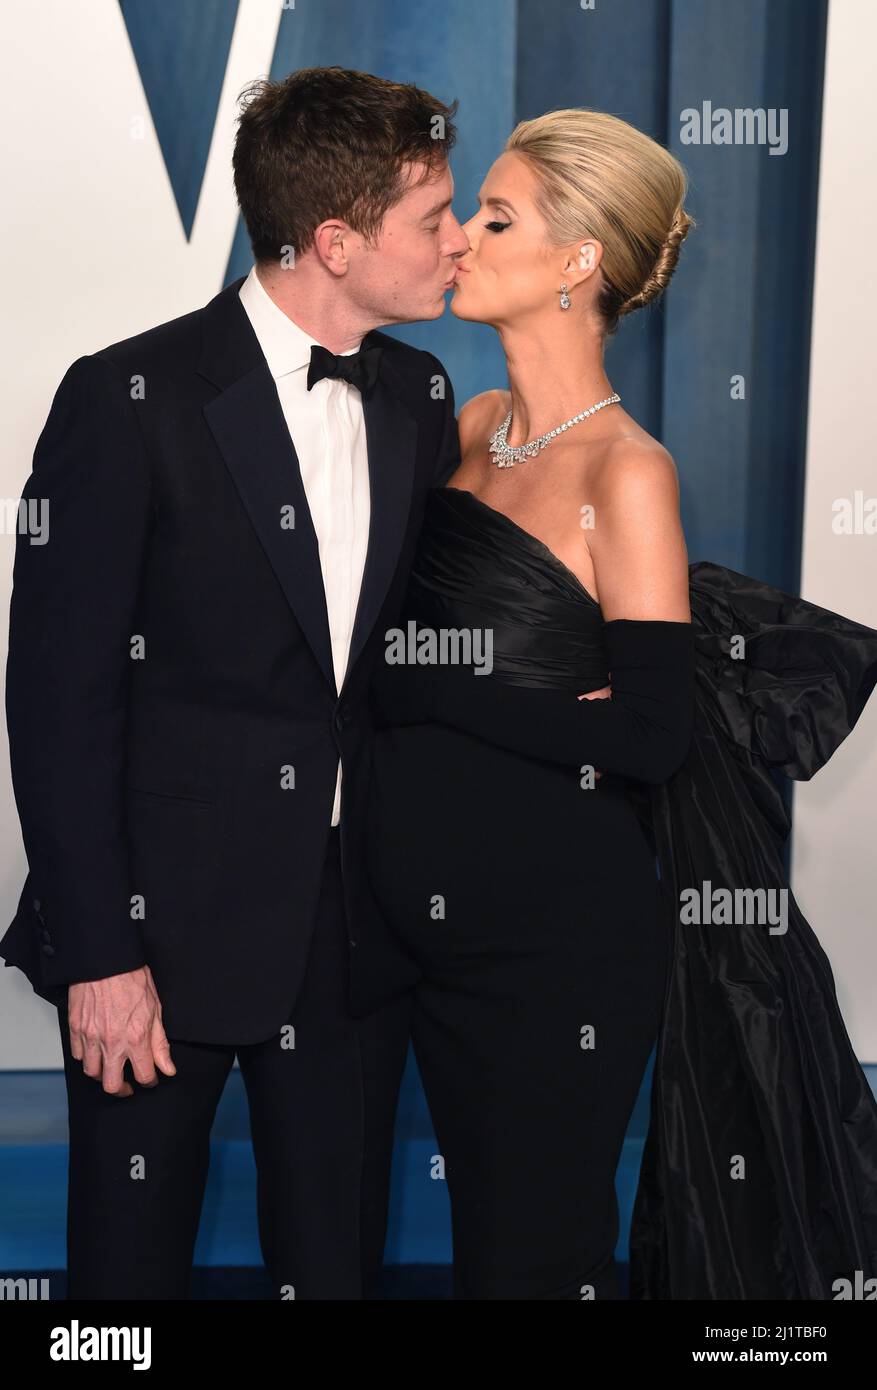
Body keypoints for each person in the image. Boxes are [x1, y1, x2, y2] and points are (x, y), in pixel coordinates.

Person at [365, 108, 877, 1300]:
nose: (461, 239)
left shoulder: (626, 471)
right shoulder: (472, 427)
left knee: (528, 1265)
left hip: (551, 946)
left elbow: (650, 733)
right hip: (408, 921)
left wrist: (434, 678)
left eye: (496, 217)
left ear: (577, 263)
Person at [0, 66, 470, 1300]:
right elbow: (56, 704)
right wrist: (101, 956)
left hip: (351, 932)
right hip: (156, 937)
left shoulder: (418, 398)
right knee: (127, 1281)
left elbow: (397, 667)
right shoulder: (126, 398)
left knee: (336, 1266)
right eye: (432, 218)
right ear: (332, 240)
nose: (457, 240)